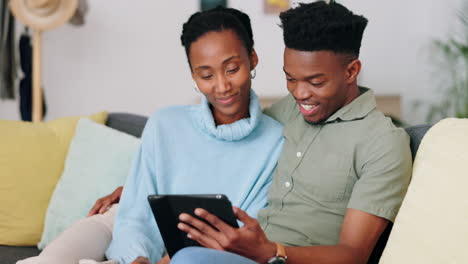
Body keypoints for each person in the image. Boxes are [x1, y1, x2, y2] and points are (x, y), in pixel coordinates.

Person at [17, 7, 284, 264]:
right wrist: (138, 256)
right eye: (206, 75)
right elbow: (135, 213)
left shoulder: (275, 141)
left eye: (232, 69)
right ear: (193, 74)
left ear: (253, 58)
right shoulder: (165, 123)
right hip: (128, 234)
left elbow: (243, 231)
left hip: (202, 255)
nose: (222, 86)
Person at [171, 2, 412, 264]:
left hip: (280, 257)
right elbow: (234, 144)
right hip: (246, 255)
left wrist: (273, 251)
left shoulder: (382, 142)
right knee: (182, 253)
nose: (300, 93)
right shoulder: (290, 110)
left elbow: (353, 254)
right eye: (291, 79)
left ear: (351, 71)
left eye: (316, 82)